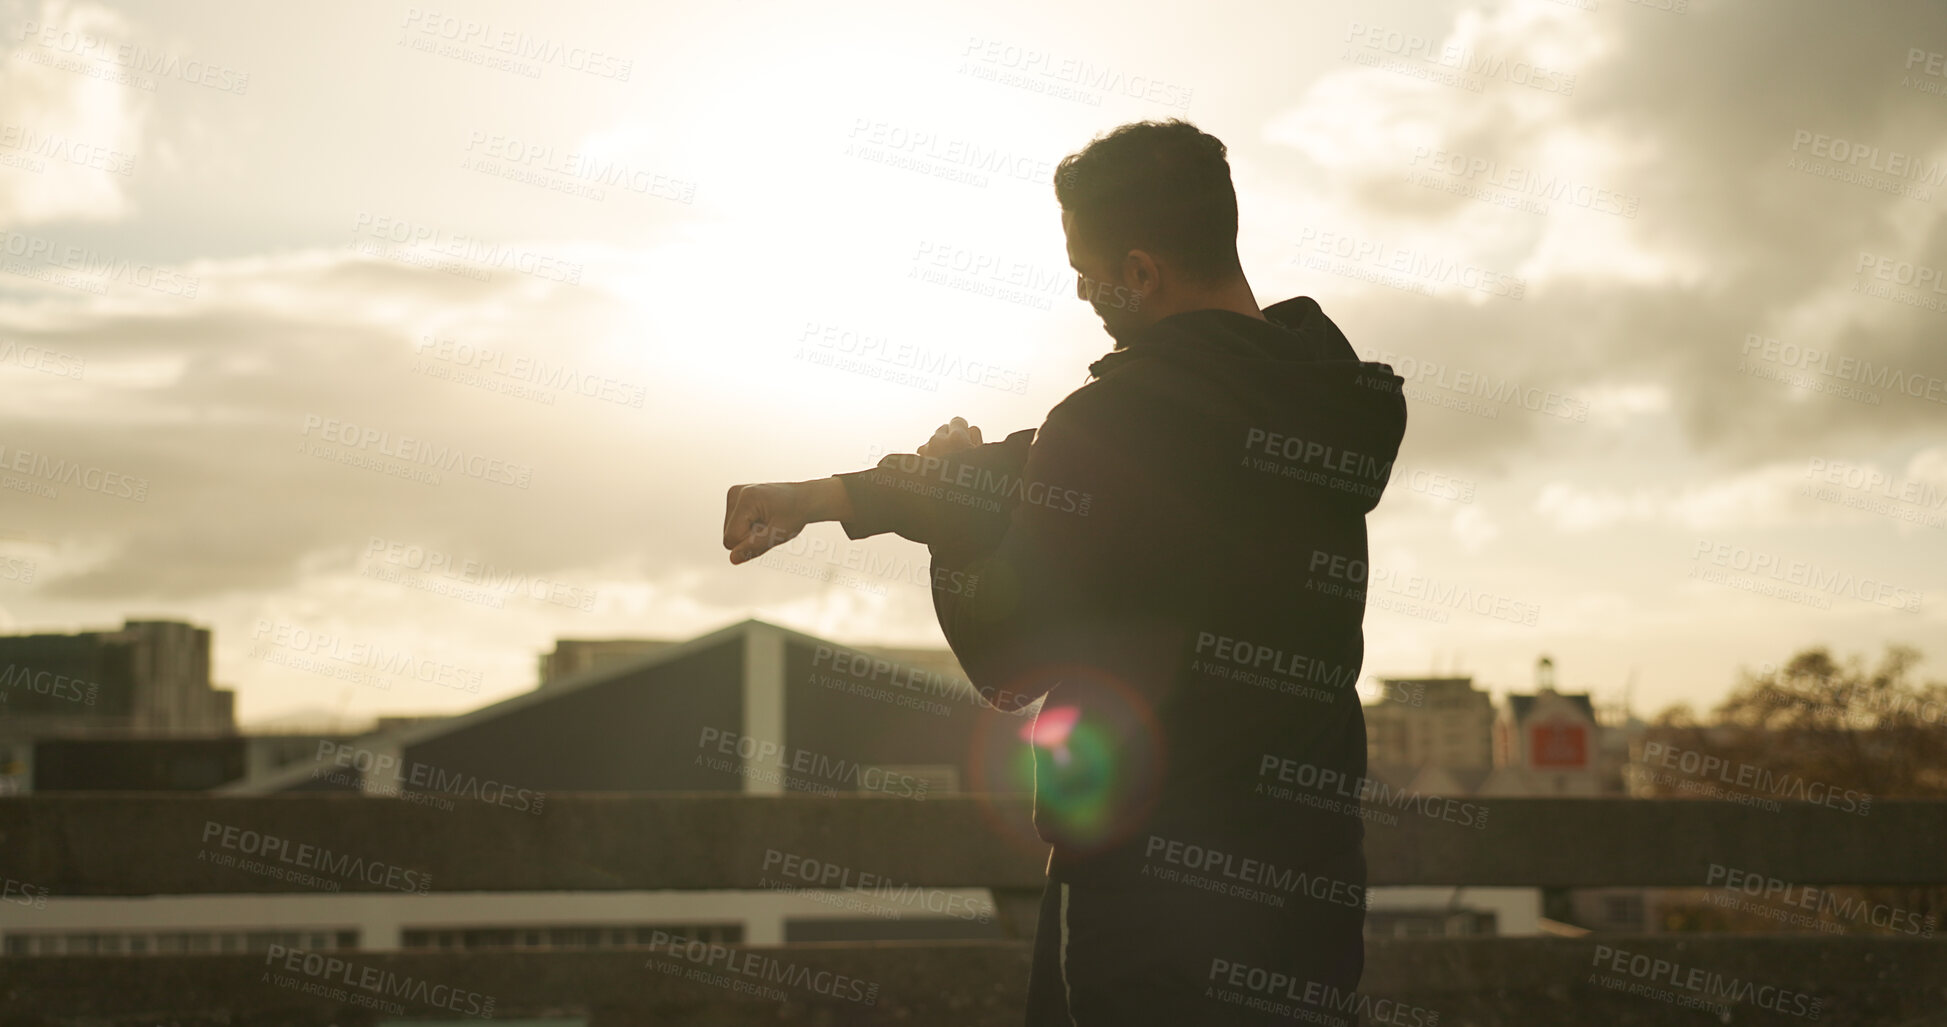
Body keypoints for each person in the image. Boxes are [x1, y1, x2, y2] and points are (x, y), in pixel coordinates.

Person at [723, 118, 1408, 1026]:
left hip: (1153, 900)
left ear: (1140, 271)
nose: (1084, 295)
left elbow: (1012, 659)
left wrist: (952, 540)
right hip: (1310, 885)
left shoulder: (1114, 420)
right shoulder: (1325, 398)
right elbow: (1043, 463)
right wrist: (835, 493)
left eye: (1087, 273)